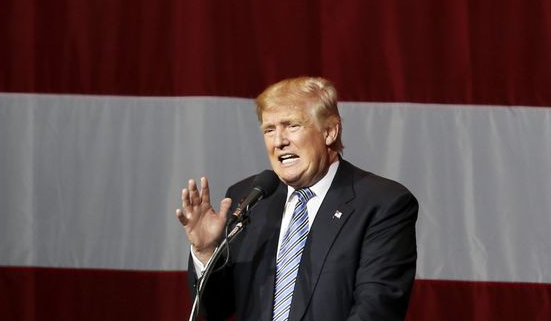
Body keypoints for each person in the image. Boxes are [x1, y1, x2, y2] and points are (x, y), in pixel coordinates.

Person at [175, 76, 417, 321]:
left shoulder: (382, 203)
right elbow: (215, 308)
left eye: (292, 126)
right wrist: (206, 252)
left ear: (330, 131)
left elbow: (377, 309)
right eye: (269, 130)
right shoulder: (250, 199)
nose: (279, 141)